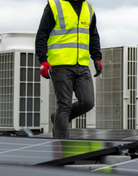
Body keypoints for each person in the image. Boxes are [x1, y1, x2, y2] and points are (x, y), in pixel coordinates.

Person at [35, 0, 102, 139]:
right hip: (60, 64)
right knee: (64, 105)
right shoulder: (55, 5)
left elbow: (93, 35)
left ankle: (59, 119)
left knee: (88, 102)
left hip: (82, 65)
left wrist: (97, 57)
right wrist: (43, 60)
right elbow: (42, 34)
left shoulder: (88, 8)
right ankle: (61, 146)